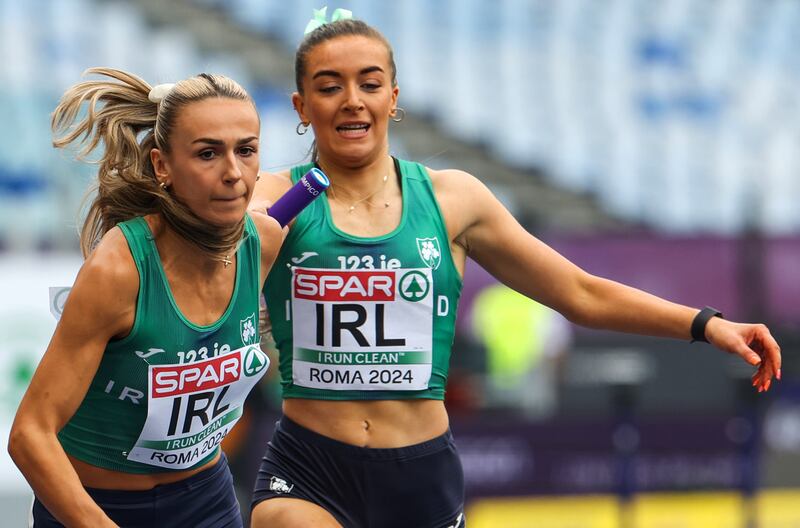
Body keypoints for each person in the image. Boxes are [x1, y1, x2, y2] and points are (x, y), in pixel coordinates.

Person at [249, 14, 781, 528]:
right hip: (307, 469)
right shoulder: (276, 197)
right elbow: (213, 249)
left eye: (369, 83)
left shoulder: (452, 199)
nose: (352, 101)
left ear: (394, 97)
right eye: (328, 86)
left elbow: (580, 292)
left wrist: (705, 323)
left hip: (418, 474)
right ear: (301, 105)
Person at [8, 67, 284, 527]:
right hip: (95, 506)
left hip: (205, 501)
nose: (234, 173)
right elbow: (30, 435)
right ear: (162, 166)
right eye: (208, 153)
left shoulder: (264, 241)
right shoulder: (119, 270)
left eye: (246, 150)